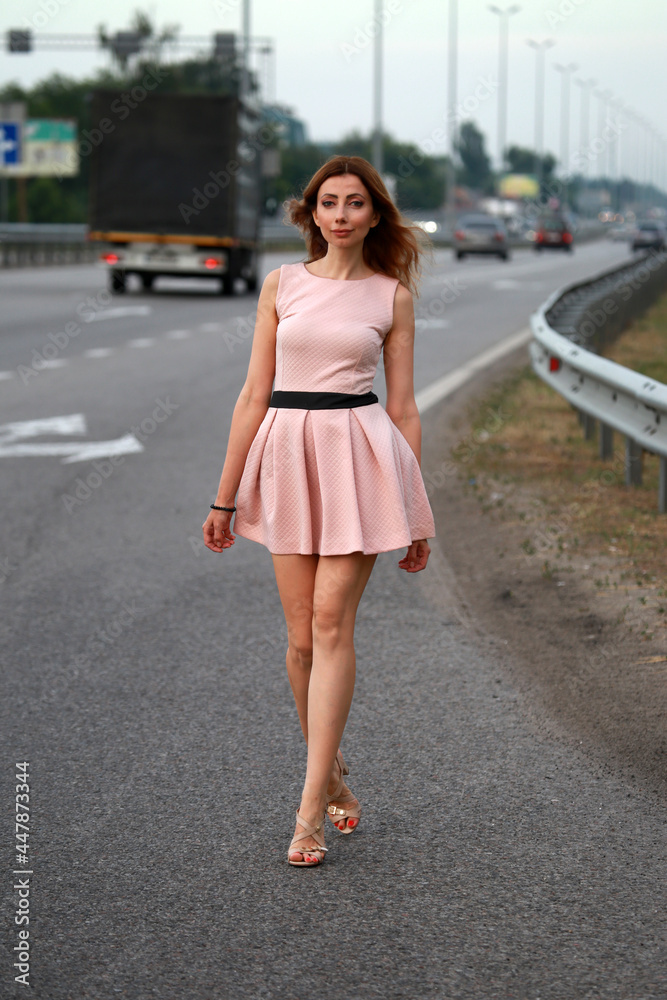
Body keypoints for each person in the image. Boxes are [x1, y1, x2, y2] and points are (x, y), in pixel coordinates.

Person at [202, 155, 435, 867]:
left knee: (332, 623)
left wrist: (415, 509)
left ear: (373, 215)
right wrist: (224, 495)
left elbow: (401, 407)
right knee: (300, 638)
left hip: (359, 459)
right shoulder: (281, 285)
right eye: (327, 202)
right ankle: (331, 772)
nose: (340, 214)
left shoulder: (389, 296)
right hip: (286, 454)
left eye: (354, 203)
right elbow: (252, 394)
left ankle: (306, 813)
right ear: (311, 214)